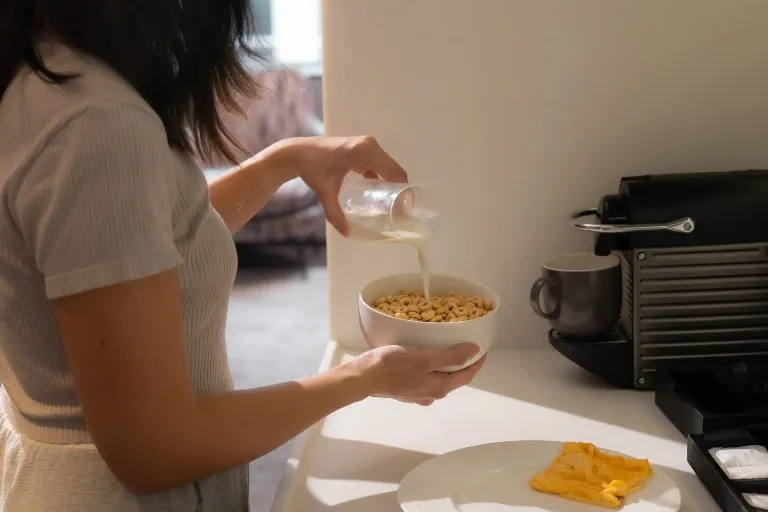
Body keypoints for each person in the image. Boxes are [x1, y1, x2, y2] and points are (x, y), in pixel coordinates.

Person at [0, 1, 486, 510]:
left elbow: (145, 246)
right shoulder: (95, 122)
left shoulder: (40, 78)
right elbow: (156, 447)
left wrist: (287, 159)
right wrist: (366, 376)